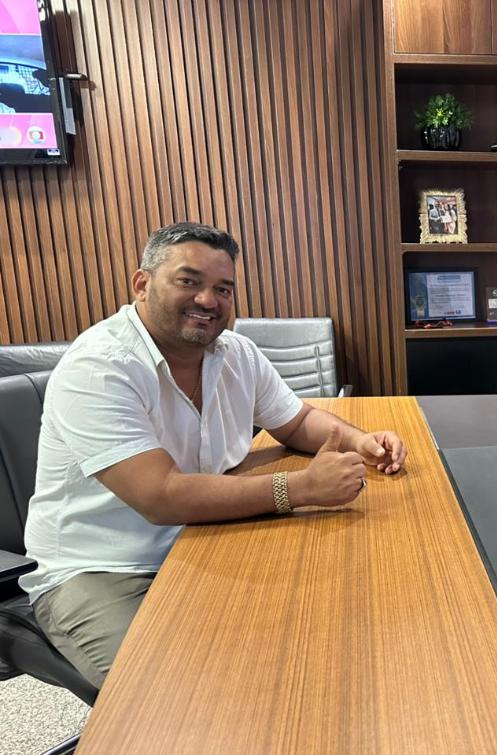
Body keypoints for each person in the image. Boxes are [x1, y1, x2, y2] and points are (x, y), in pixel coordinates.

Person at [20, 222, 409, 689]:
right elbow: (162, 497)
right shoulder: (100, 367)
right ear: (142, 284)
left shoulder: (236, 353)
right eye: (189, 281)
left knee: (311, 636)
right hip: (104, 567)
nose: (208, 300)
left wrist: (359, 441)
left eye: (223, 288)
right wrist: (301, 488)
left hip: (203, 536)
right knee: (171, 697)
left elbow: (297, 421)